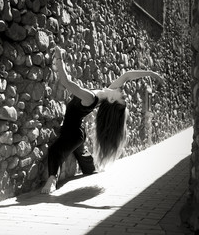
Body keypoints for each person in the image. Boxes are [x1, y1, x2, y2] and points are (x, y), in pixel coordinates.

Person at [41, 46, 164, 194]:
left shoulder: (91, 98)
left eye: (122, 97)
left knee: (56, 151)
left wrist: (59, 55)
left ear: (112, 100)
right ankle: (89, 166)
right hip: (78, 133)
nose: (124, 92)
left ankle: (52, 180)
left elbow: (66, 82)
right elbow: (127, 76)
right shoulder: (106, 94)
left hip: (73, 135)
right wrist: (150, 73)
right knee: (89, 168)